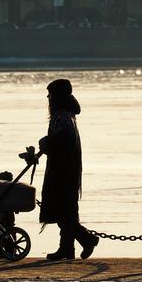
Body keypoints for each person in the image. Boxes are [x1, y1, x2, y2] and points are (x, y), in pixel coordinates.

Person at [37, 78, 98, 261]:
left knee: (64, 210)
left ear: (57, 97)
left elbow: (62, 140)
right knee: (65, 210)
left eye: (50, 95)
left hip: (63, 171)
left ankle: (83, 240)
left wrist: (46, 143)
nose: (48, 98)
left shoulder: (62, 116)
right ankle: (70, 247)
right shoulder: (67, 115)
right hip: (65, 169)